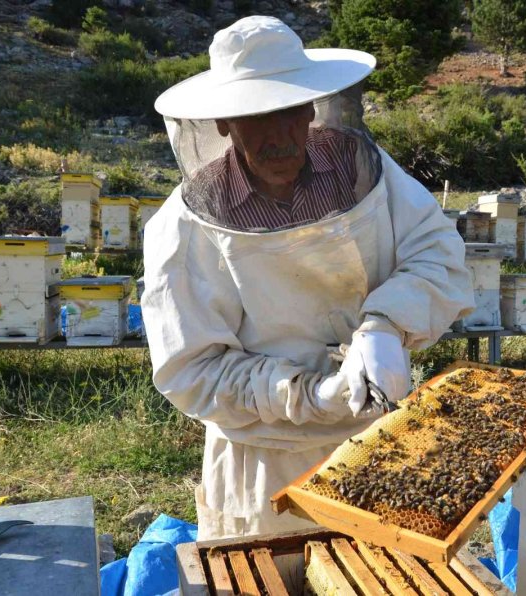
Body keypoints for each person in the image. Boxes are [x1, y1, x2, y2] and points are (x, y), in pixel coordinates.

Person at [142, 15, 474, 541]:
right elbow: (194, 370)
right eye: (255, 118)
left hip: (381, 437)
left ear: (311, 107)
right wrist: (309, 395)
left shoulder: (365, 169)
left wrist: (387, 323)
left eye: (290, 112)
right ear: (223, 123)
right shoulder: (181, 229)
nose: (279, 137)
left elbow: (438, 252)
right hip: (264, 458)